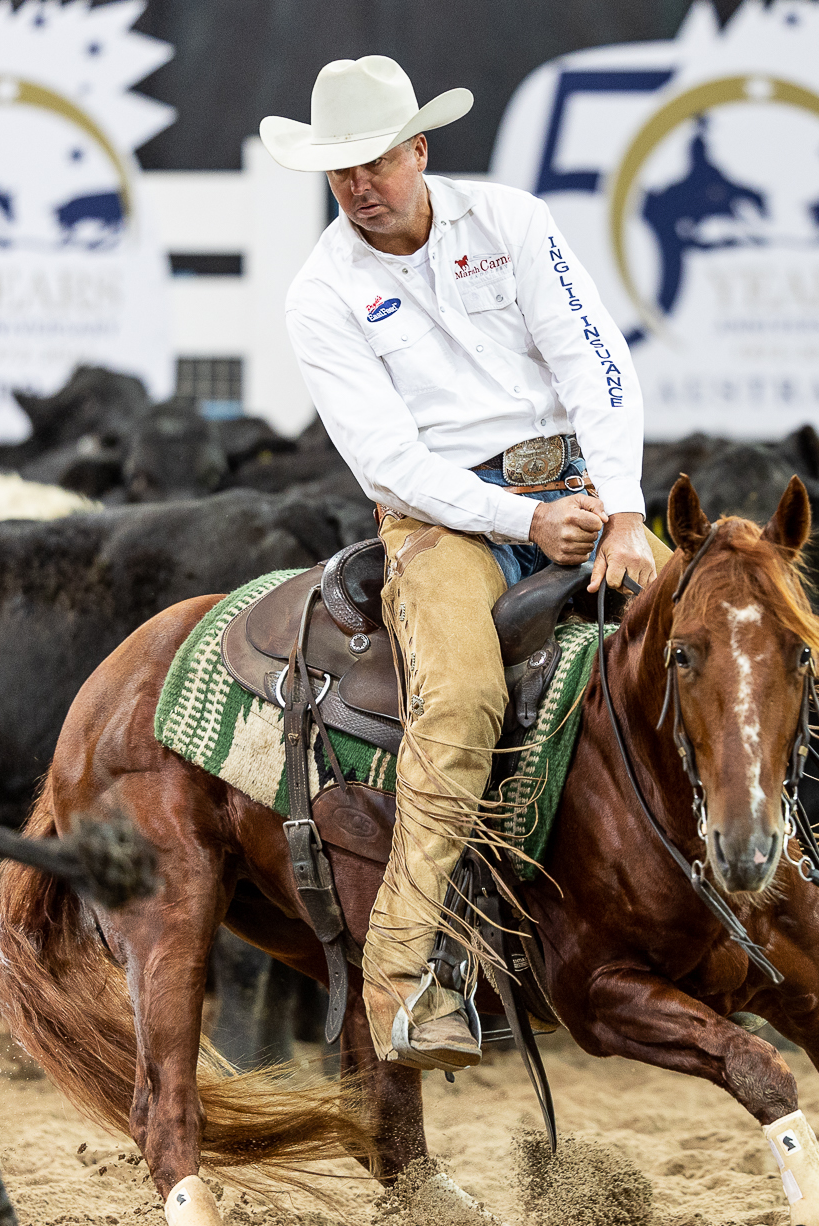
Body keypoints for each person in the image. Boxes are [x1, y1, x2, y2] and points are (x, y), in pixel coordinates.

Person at [262, 55, 665, 1072]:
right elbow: (388, 463)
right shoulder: (321, 294)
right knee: (461, 697)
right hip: (440, 525)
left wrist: (623, 511)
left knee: (716, 645)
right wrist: (526, 521)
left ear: (419, 149)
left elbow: (596, 362)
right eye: (341, 169)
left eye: (376, 161)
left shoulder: (511, 222)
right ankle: (407, 977)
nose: (360, 185)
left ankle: (757, 885)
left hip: (579, 493)